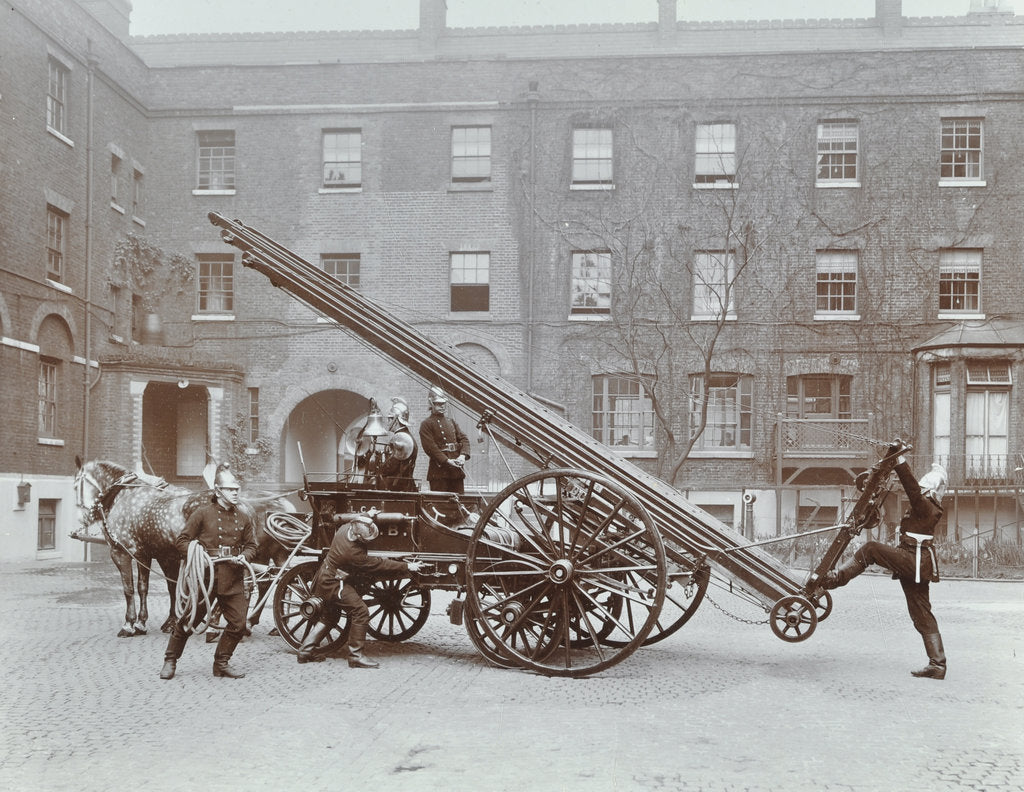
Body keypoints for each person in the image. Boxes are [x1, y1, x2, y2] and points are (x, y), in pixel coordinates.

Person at [821, 445, 948, 680]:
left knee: (871, 549)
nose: (919, 487)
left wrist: (899, 460)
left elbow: (910, 487)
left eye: (924, 485)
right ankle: (938, 665)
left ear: (930, 488)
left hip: (914, 559)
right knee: (921, 613)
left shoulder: (926, 506)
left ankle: (837, 579)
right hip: (917, 563)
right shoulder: (928, 506)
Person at [159, 465, 257, 680]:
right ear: (218, 491)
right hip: (205, 578)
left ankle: (221, 663)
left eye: (237, 489)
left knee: (239, 624)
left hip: (233, 577)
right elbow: (182, 541)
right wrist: (198, 554)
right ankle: (170, 659)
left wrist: (245, 557)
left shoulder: (243, 517)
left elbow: (252, 545)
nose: (235, 493)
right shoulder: (202, 513)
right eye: (230, 490)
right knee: (189, 621)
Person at [297, 513, 423, 667]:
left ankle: (305, 652)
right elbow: (377, 564)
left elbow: (359, 518)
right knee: (361, 612)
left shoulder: (344, 528)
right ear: (357, 536)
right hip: (334, 584)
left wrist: (368, 515)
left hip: (325, 576)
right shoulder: (352, 553)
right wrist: (407, 566)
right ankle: (356, 656)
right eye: (365, 539)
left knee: (329, 617)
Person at [418, 386, 471, 493]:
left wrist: (462, 456)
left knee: (459, 504)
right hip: (439, 472)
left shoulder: (451, 421)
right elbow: (431, 448)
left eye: (443, 404)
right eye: (438, 404)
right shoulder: (426, 424)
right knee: (441, 504)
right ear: (431, 404)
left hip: (456, 472)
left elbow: (464, 439)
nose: (442, 406)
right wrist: (446, 461)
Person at [378, 397, 418, 491]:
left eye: (390, 419)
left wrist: (379, 469)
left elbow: (393, 465)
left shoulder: (402, 439)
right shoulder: (405, 436)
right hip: (403, 486)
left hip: (398, 488)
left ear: (396, 420)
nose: (388, 423)